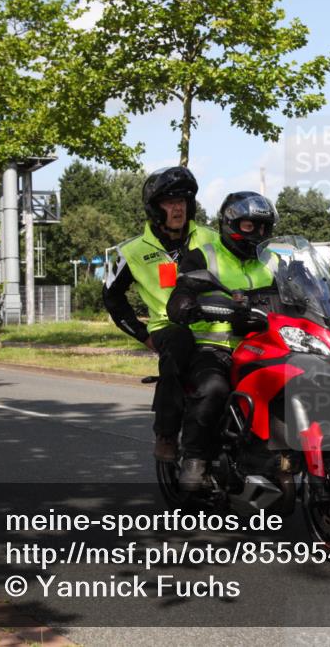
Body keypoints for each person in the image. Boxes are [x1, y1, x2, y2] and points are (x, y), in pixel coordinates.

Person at [102, 166, 220, 463]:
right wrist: (142, 335)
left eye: (182, 200)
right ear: (155, 209)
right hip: (169, 327)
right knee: (178, 344)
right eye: (169, 201)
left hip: (218, 324)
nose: (178, 207)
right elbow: (112, 298)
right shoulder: (131, 251)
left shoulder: (212, 238)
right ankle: (166, 433)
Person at [166, 191, 278, 490]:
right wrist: (185, 302)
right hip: (216, 348)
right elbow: (183, 289)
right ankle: (195, 460)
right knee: (213, 388)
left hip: (267, 347)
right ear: (229, 224)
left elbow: (301, 293)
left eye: (264, 227)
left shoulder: (274, 260)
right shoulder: (204, 255)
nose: (258, 233)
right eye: (249, 226)